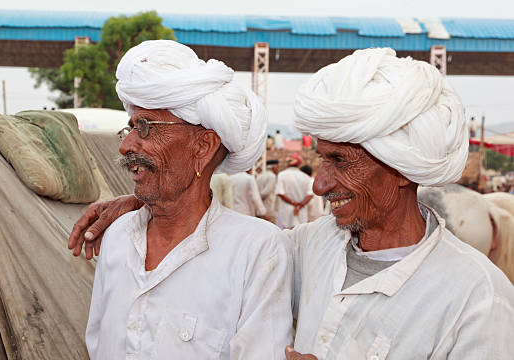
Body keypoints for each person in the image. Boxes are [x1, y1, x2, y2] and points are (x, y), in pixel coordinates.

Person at [71, 47, 514, 359]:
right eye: (322, 159)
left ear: (400, 168)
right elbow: (212, 239)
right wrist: (145, 198)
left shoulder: (478, 300)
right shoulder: (309, 247)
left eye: (340, 161)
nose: (318, 185)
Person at [81, 40, 293, 359]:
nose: (126, 145)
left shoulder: (256, 251)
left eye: (145, 127)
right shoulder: (118, 238)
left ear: (203, 147)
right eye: (129, 127)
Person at [275, 153, 314, 229]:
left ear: (287, 163)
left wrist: (293, 203)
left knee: (285, 236)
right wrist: (299, 206)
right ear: (299, 164)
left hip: (286, 213)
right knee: (300, 236)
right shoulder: (306, 177)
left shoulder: (282, 175)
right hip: (301, 212)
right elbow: (310, 195)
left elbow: (280, 193)